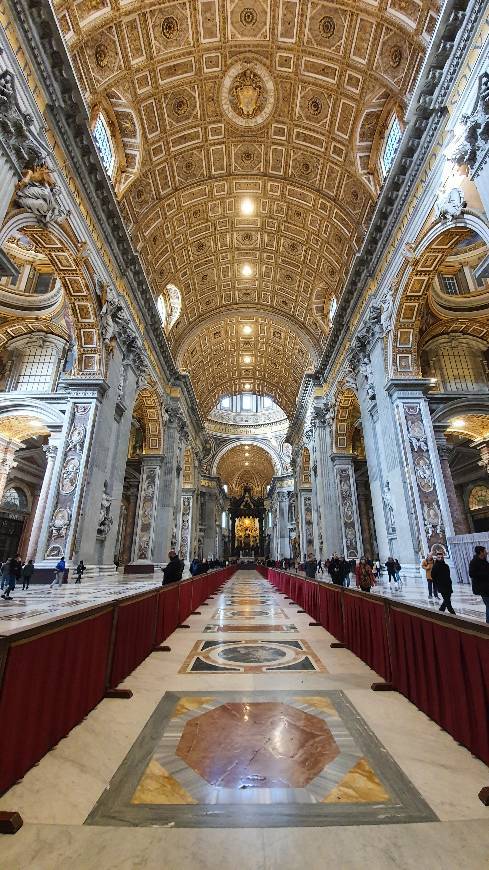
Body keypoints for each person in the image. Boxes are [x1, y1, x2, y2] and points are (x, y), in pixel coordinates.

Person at [468, 545, 489, 623]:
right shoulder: (474, 562)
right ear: (481, 552)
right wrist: (485, 574)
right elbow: (471, 574)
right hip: (483, 588)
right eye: (485, 551)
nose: (486, 552)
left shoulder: (484, 560)